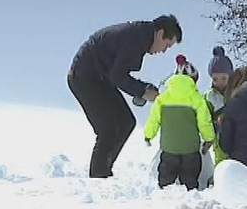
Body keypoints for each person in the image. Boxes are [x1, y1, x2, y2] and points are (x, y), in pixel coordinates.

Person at [68, 15, 182, 178]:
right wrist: (143, 91)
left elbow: (117, 74)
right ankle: (98, 177)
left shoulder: (141, 35)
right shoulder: (137, 37)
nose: (163, 51)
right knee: (107, 130)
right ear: (160, 33)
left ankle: (104, 171)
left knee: (126, 122)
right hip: (84, 77)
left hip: (101, 78)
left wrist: (144, 89)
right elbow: (118, 76)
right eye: (167, 45)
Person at [143, 56, 216, 189]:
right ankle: (190, 194)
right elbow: (204, 122)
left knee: (166, 178)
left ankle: (165, 195)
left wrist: (148, 135)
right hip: (191, 150)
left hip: (168, 148)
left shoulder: (162, 99)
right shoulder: (197, 99)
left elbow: (153, 120)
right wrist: (209, 139)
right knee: (190, 178)